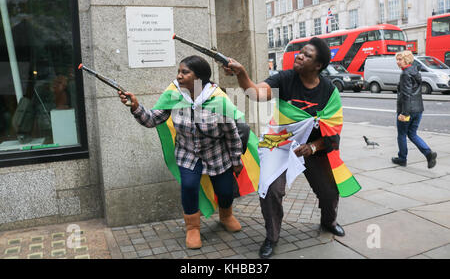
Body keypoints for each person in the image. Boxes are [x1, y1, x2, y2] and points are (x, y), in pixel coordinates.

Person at [224, 37, 359, 259]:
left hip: (314, 148)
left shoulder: (328, 91)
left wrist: (313, 147)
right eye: (300, 52)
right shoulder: (285, 78)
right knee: (270, 189)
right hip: (281, 143)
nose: (299, 56)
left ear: (318, 66)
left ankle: (328, 222)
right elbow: (255, 93)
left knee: (329, 190)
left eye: (307, 55)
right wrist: (241, 74)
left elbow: (333, 128)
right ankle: (272, 237)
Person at [118, 55, 244, 249]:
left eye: (185, 72)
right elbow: (151, 120)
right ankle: (192, 228)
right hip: (188, 153)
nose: (179, 76)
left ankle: (226, 216)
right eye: (179, 71)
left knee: (225, 191)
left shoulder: (219, 99)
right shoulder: (174, 95)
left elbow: (232, 134)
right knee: (189, 186)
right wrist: (135, 106)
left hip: (217, 153)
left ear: (199, 77)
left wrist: (236, 160)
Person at [391, 50, 437, 169]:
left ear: (406, 60)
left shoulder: (405, 74)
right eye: (397, 59)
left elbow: (406, 94)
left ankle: (402, 158)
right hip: (418, 109)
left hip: (407, 110)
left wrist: (404, 113)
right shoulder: (415, 71)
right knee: (412, 133)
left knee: (401, 134)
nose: (398, 62)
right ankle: (428, 153)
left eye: (400, 59)